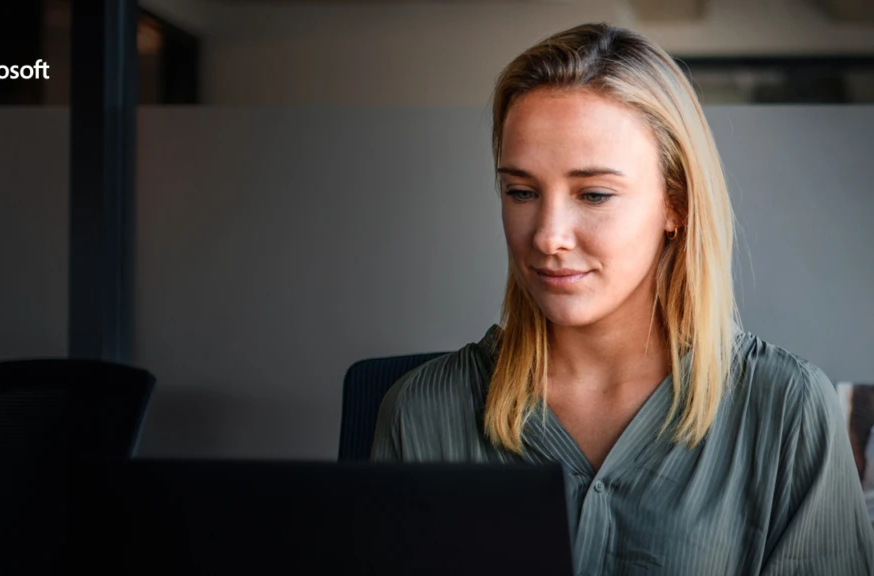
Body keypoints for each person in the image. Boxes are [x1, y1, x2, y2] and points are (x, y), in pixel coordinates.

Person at [370, 22, 874, 575]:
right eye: (521, 192)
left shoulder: (789, 412)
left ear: (675, 204)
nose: (547, 235)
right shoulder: (421, 412)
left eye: (594, 194)